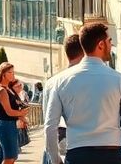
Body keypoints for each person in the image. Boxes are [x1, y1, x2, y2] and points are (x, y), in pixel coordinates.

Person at [43, 22, 121, 164]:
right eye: (109, 41)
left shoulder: (61, 81)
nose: (111, 45)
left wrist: (56, 160)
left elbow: (50, 127)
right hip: (110, 154)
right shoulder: (118, 80)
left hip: (77, 154)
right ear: (100, 45)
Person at [42, 35, 84, 164]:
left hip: (55, 146)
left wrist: (54, 158)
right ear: (84, 52)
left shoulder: (52, 82)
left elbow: (48, 122)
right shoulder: (86, 81)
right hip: (76, 146)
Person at [0, 63, 30, 164]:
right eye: (10, 72)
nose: (13, 74)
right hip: (6, 124)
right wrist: (21, 113)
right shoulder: (1, 90)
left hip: (5, 124)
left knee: (3, 156)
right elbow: (8, 111)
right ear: (3, 74)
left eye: (13, 72)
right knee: (10, 156)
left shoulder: (6, 88)